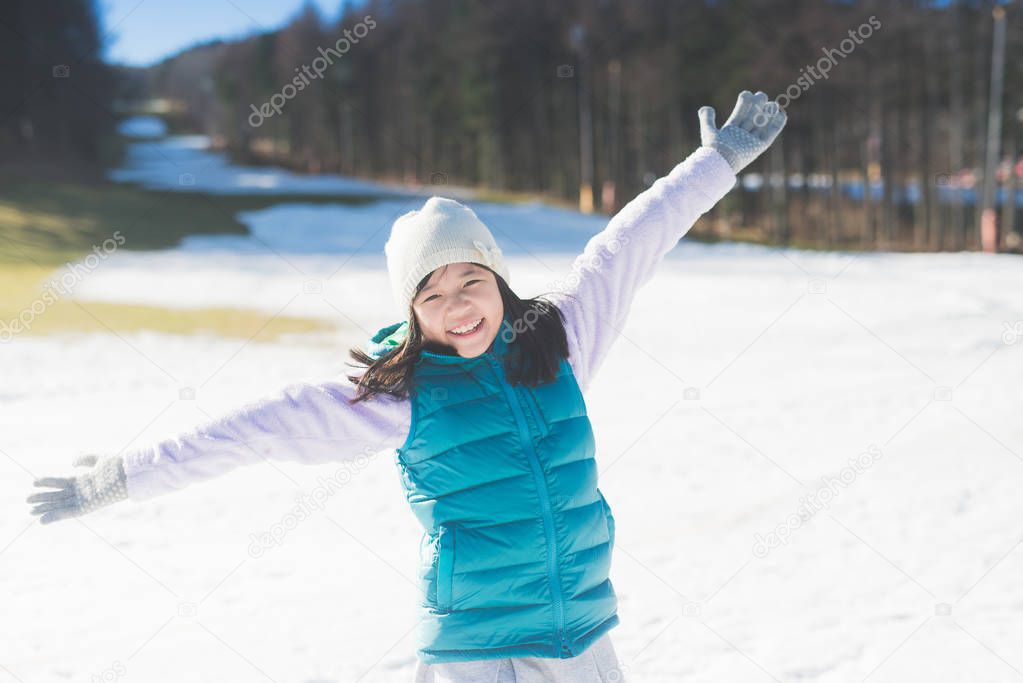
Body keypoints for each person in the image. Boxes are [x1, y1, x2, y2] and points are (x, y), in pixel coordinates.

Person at [27, 91, 786, 682]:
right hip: (472, 643)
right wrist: (122, 477)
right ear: (411, 312)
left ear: (497, 278)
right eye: (431, 295)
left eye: (470, 280)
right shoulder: (398, 395)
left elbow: (632, 239)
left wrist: (716, 160)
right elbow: (251, 428)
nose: (457, 306)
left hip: (577, 629)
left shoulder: (561, 338)